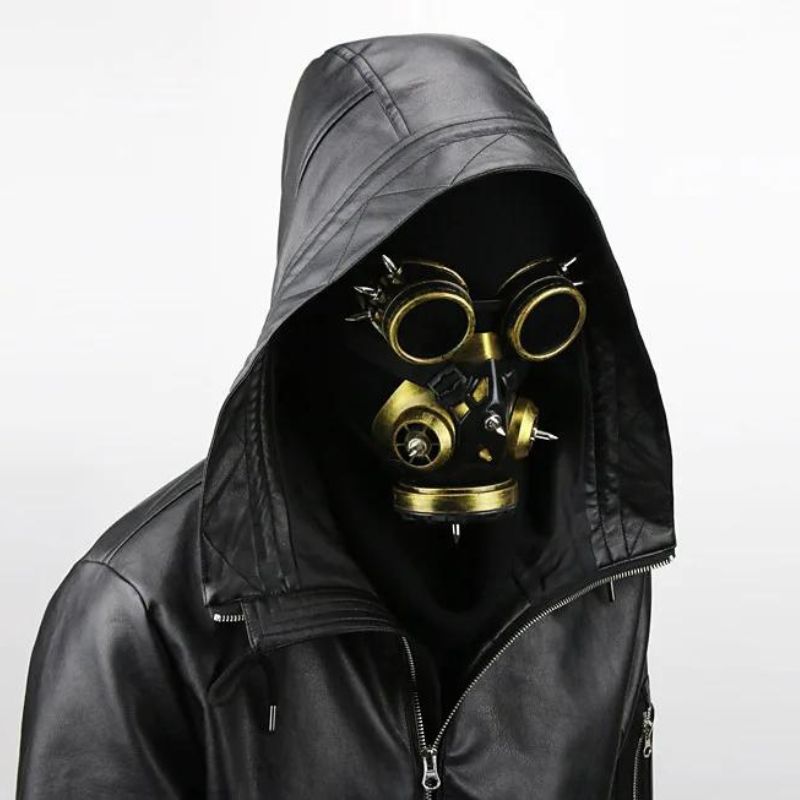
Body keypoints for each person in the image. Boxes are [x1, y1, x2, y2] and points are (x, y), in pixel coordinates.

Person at [17, 34, 675, 799]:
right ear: (320, 310)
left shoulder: (591, 580)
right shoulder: (140, 618)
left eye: (539, 318)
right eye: (433, 325)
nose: (491, 383)